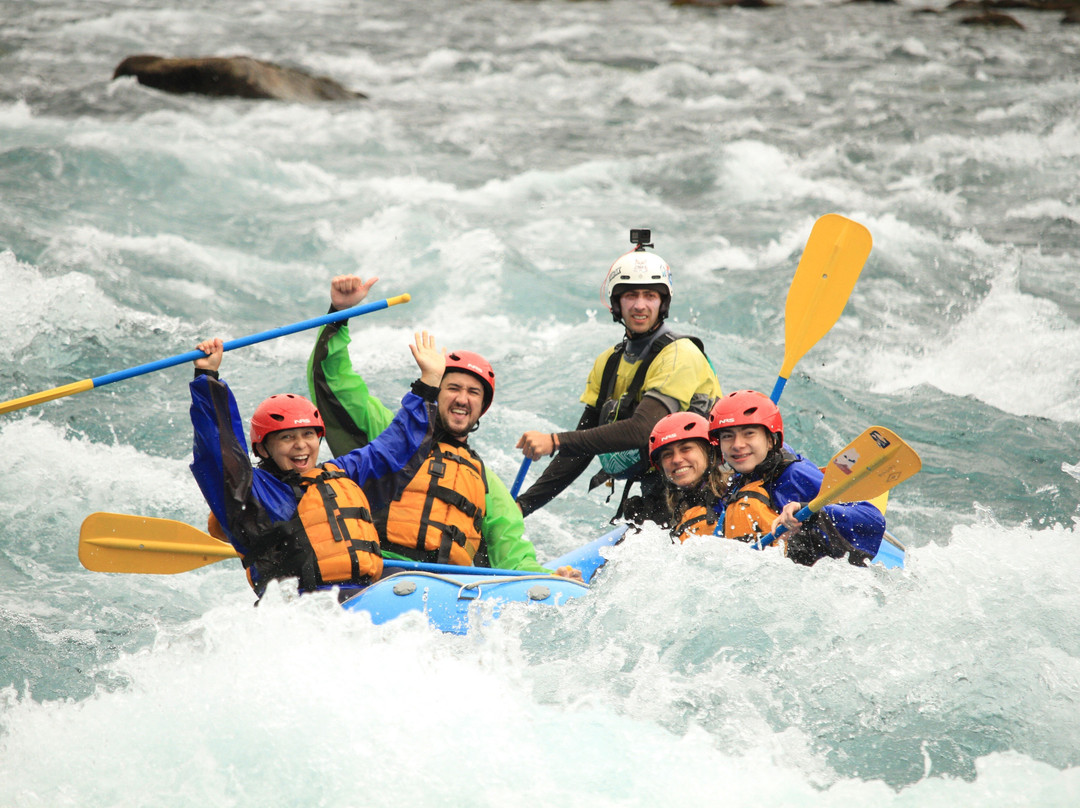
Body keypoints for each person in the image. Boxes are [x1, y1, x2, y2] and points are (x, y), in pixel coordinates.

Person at [307, 274, 580, 580]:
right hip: (377, 570)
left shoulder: (486, 482)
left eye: (473, 392)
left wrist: (551, 578)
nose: (463, 399)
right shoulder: (391, 433)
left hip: (444, 586)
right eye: (453, 388)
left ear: (482, 408)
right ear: (436, 390)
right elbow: (335, 380)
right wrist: (339, 314)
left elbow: (513, 555)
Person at [189, 331, 445, 598]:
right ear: (263, 448)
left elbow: (394, 449)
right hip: (306, 611)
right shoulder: (253, 494)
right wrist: (207, 379)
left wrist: (429, 384)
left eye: (308, 435)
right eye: (287, 437)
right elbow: (219, 449)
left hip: (363, 599)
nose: (301, 445)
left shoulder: (344, 475)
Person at [516, 229, 722, 526]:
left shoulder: (680, 354)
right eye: (630, 295)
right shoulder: (609, 362)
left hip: (706, 493)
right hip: (658, 492)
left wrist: (555, 440)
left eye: (650, 295)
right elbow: (579, 450)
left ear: (662, 303)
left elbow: (643, 429)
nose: (640, 305)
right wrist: (522, 507)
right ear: (616, 303)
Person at [648, 391, 886, 565]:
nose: (738, 445)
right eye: (728, 437)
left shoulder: (793, 474)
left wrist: (810, 510)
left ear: (771, 439)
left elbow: (873, 519)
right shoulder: (742, 480)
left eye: (749, 433)